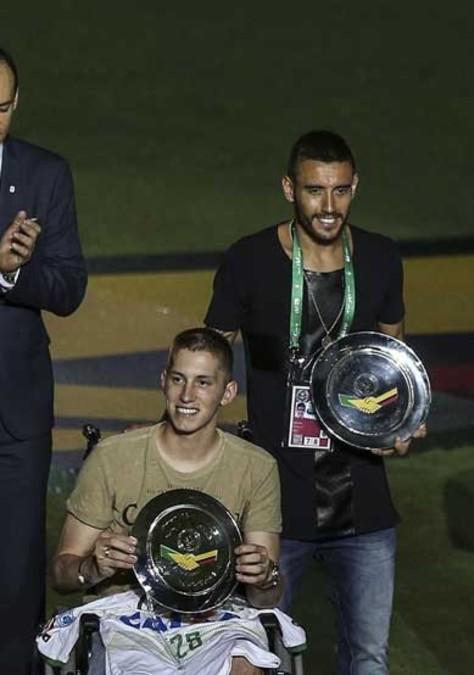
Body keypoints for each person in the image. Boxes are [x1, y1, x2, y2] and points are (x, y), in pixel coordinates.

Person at [205, 129, 419, 674]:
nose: (329, 207)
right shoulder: (249, 260)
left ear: (355, 188)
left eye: (341, 191)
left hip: (364, 499)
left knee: (369, 658)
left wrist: (405, 419)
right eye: (315, 191)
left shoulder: (379, 257)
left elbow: (394, 357)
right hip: (273, 505)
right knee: (261, 655)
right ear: (288, 188)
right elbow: (208, 359)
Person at [47, 327, 285, 674]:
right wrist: (91, 568)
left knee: (246, 665)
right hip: (124, 616)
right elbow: (61, 574)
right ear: (163, 382)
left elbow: (266, 598)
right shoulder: (113, 457)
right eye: (178, 379)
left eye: (203, 382)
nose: (187, 395)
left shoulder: (256, 467)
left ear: (227, 392)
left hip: (217, 617)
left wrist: (264, 577)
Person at [0, 45, 88, 673]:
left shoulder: (44, 174)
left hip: (16, 414)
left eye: (2, 108)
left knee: (14, 575)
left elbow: (68, 287)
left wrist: (15, 275)